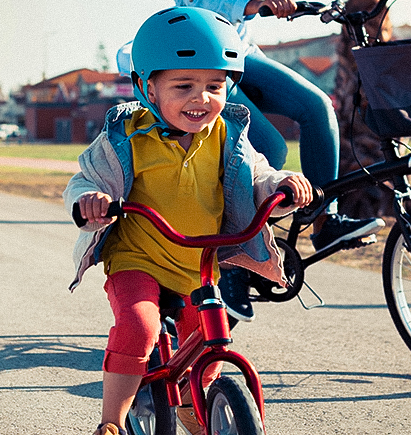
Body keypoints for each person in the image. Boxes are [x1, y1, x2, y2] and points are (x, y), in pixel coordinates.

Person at [64, 6, 314, 435]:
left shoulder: (226, 134)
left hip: (197, 262)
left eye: (215, 86)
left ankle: (191, 401)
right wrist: (91, 201)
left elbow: (256, 174)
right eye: (184, 86)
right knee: (138, 327)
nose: (202, 99)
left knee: (208, 334)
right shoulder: (127, 137)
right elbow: (83, 180)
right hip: (136, 256)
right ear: (148, 87)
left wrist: (281, 187)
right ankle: (111, 428)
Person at [144, 0, 385, 323]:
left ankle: (325, 221)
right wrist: (251, 4)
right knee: (270, 148)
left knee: (317, 108)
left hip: (241, 49)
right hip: (204, 52)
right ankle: (233, 258)